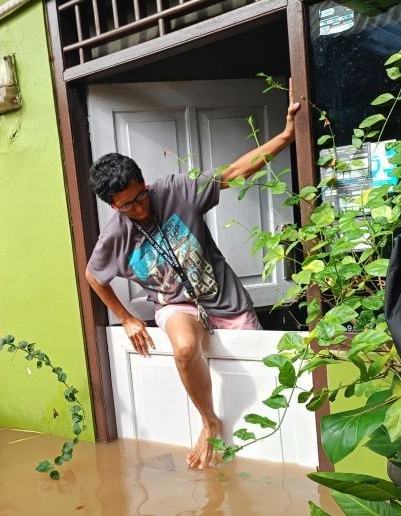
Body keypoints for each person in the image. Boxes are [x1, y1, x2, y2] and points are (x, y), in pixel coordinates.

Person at [85, 97, 300, 470]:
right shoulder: (116, 235)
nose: (139, 208)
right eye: (127, 205)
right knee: (185, 349)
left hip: (225, 298)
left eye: (140, 196)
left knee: (265, 373)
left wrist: (285, 136)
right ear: (112, 206)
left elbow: (233, 173)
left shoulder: (176, 190)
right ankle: (209, 422)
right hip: (177, 305)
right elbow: (93, 276)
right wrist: (126, 317)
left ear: (144, 183)